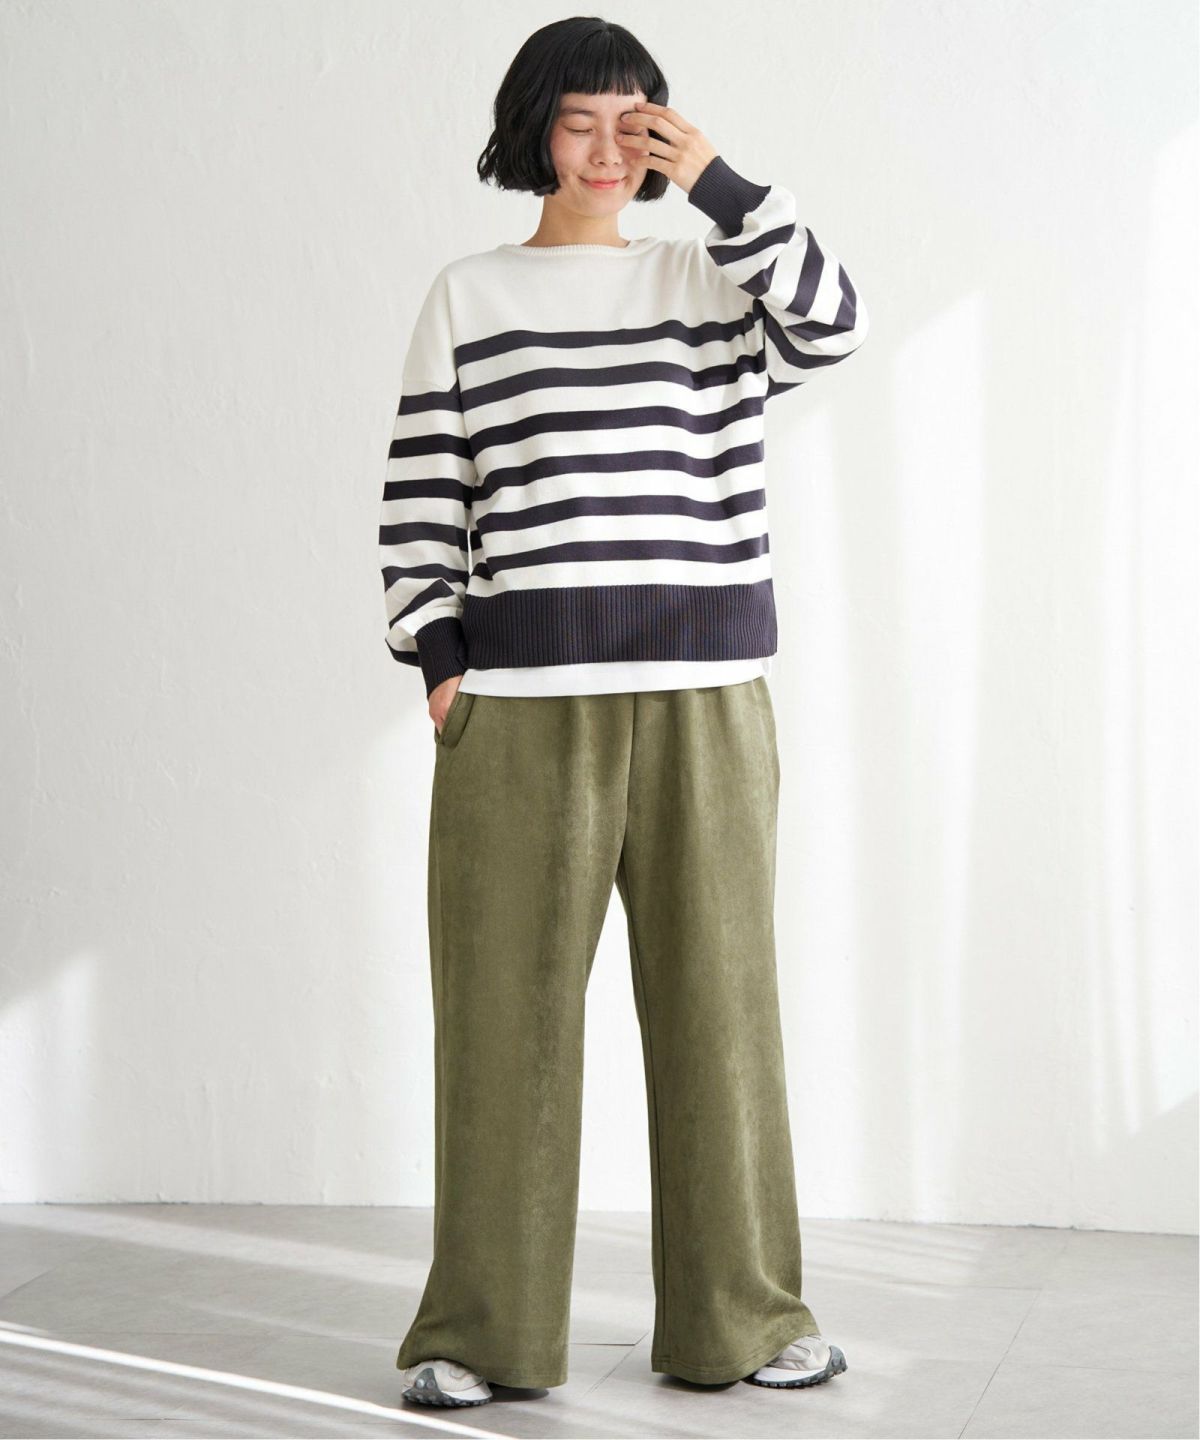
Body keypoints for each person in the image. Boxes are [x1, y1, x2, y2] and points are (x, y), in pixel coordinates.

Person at [378, 15, 868, 1410]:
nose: (607, 148)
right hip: (522, 709)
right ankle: (482, 1336)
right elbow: (423, 496)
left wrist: (720, 183)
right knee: (502, 1025)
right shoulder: (470, 294)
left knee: (722, 1015)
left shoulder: (709, 278)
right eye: (579, 120)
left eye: (634, 120)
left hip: (706, 698)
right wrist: (439, 659)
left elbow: (836, 322)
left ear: (662, 133)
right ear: (533, 129)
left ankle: (744, 1323)